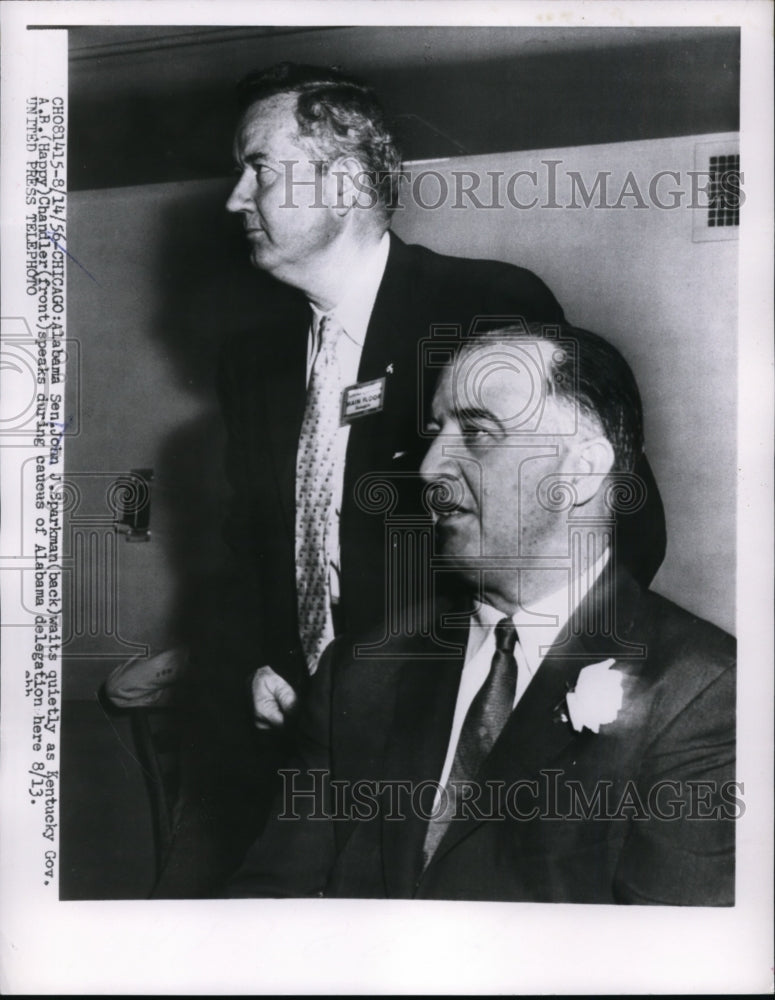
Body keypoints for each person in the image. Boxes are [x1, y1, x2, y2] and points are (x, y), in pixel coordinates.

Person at [154, 63, 665, 897]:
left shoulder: (481, 307)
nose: (235, 199)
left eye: (259, 168)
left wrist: (532, 695)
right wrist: (263, 661)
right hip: (301, 737)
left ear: (349, 180)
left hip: (451, 730)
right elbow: (251, 545)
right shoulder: (251, 363)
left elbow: (619, 522)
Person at [227, 324, 736, 904]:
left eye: (476, 432)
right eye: (438, 431)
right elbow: (267, 910)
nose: (428, 469)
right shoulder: (362, 670)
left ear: (581, 469)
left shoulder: (704, 694)